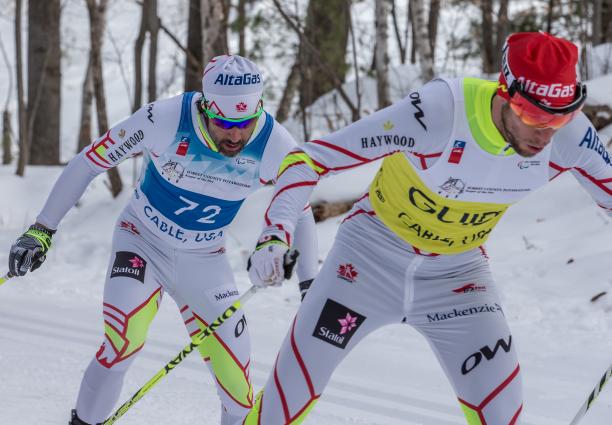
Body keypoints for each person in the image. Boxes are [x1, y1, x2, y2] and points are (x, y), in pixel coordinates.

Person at [243, 32, 612, 424]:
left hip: (457, 277)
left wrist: (560, 121)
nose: (547, 132)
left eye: (561, 116)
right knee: (282, 408)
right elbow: (310, 159)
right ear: (506, 92)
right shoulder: (439, 113)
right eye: (535, 116)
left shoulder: (571, 137)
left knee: (503, 413)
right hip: (365, 263)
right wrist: (274, 233)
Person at [7, 55, 318, 425]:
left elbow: (300, 208)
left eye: (245, 124)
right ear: (205, 108)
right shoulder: (166, 119)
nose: (235, 135)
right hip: (141, 241)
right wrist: (42, 229)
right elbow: (92, 161)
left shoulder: (275, 143)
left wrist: (309, 285)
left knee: (237, 379)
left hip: (204, 258)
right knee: (123, 341)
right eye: (224, 124)